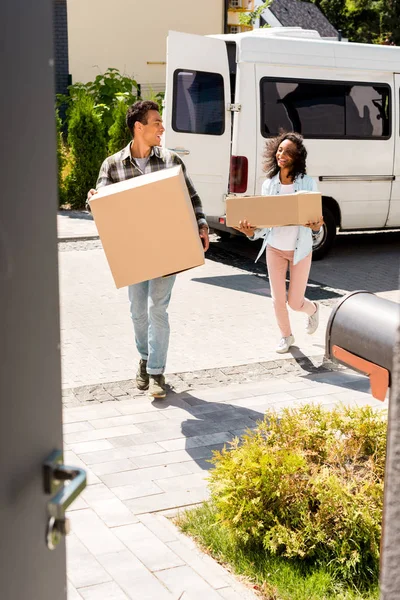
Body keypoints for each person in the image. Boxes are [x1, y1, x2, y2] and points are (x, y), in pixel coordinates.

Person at [87, 100, 209, 398]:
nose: (162, 128)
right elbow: (100, 204)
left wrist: (202, 225)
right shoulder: (112, 164)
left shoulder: (170, 161)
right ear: (138, 127)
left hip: (168, 248)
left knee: (158, 309)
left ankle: (156, 371)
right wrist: (92, 199)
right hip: (134, 252)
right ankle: (144, 357)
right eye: (156, 122)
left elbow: (192, 196)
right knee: (137, 311)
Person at [235, 132, 323, 354]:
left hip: (300, 250)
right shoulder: (269, 185)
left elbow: (315, 223)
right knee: (277, 299)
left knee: (295, 302)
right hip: (274, 248)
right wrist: (249, 231)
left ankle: (313, 309)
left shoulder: (307, 183)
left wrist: (315, 227)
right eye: (280, 150)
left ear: (297, 157)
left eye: (288, 152)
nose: (281, 155)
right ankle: (286, 335)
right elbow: (264, 226)